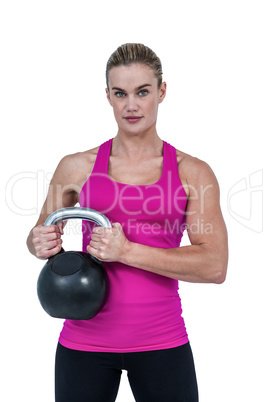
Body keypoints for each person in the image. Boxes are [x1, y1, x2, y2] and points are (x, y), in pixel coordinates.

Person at [27, 43, 228, 402]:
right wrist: (38, 242)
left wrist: (127, 250)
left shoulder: (192, 172)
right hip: (83, 343)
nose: (131, 105)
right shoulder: (77, 166)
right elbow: (40, 233)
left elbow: (214, 265)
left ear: (161, 92)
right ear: (108, 96)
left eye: (142, 92)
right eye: (120, 93)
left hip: (162, 341)